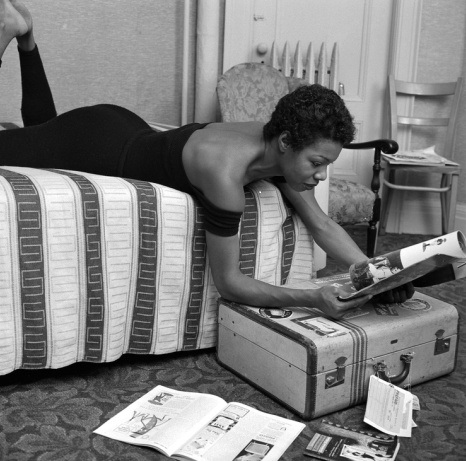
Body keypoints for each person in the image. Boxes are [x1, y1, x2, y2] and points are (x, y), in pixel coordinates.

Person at [0, 1, 414, 319]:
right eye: (317, 163)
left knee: (41, 129)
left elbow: (321, 224)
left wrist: (379, 273)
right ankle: (6, 33)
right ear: (287, 142)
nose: (321, 176)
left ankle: (27, 36)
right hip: (98, 143)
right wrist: (313, 297)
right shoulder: (225, 174)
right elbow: (230, 283)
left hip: (124, 125)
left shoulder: (280, 143)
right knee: (36, 137)